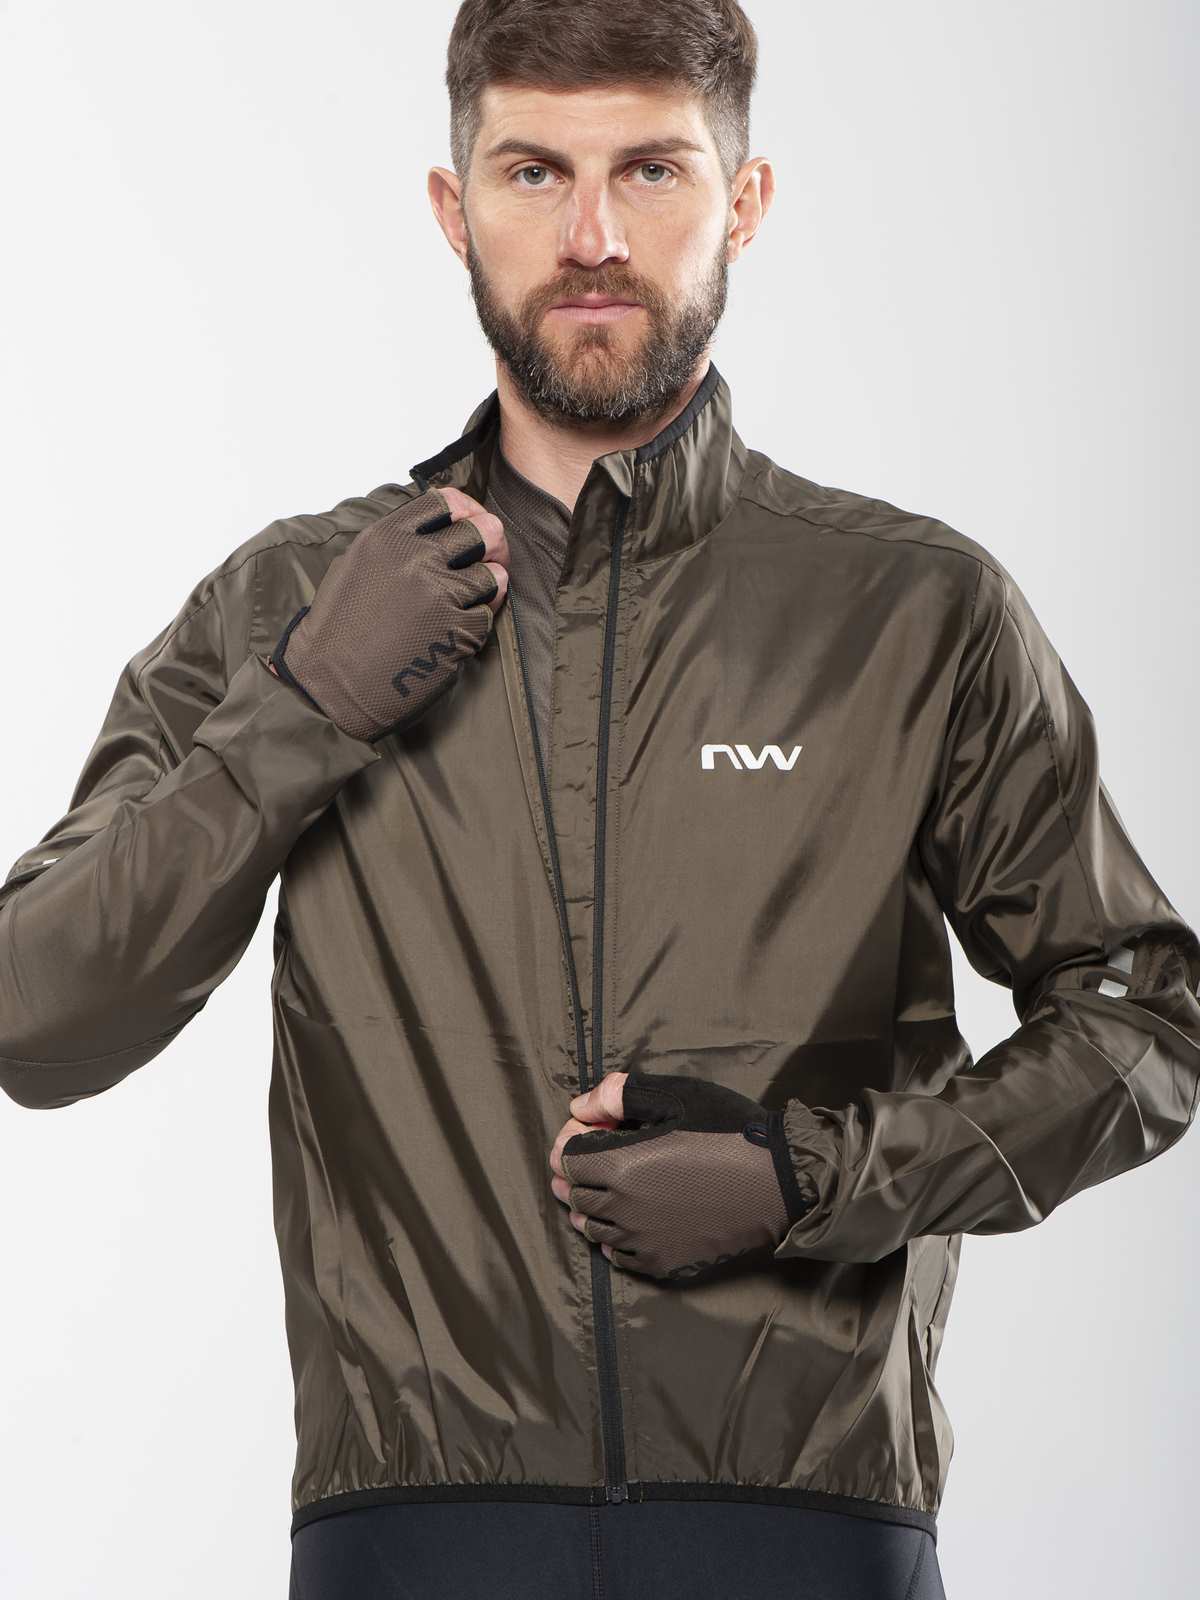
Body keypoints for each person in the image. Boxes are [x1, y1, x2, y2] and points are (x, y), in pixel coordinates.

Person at [3, 3, 1197, 1597]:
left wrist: (815, 1180)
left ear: (743, 200)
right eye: (532, 172)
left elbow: (1145, 1016)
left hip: (808, 1537)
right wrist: (301, 710)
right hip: (414, 1539)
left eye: (650, 170)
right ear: (454, 209)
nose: (591, 239)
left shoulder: (914, 610)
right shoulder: (287, 604)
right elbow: (37, 1017)